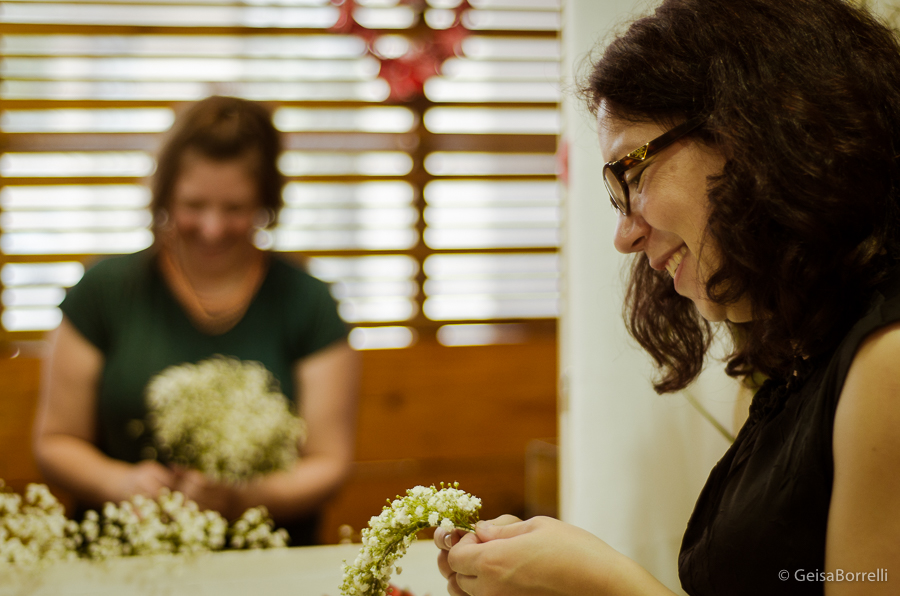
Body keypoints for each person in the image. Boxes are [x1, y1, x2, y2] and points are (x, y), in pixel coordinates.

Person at [434, 0, 900, 594]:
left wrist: (605, 585)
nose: (624, 234)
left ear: (757, 132)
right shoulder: (797, 355)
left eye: (634, 174)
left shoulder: (888, 359)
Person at [33, 95, 359, 546]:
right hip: (124, 560)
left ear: (267, 200)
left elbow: (328, 462)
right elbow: (55, 441)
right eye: (194, 205)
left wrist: (241, 499)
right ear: (164, 194)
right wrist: (119, 483)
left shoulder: (306, 301)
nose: (212, 228)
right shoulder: (104, 291)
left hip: (268, 561)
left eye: (235, 208)